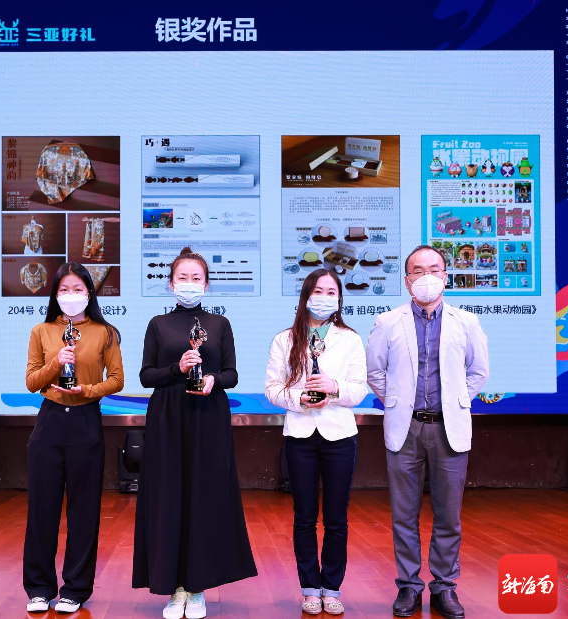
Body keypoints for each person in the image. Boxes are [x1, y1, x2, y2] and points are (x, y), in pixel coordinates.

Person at [132, 247, 257, 619]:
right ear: (171, 284)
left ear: (206, 283)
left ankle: (198, 587)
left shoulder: (219, 324)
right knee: (168, 498)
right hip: (167, 417)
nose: (189, 283)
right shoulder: (158, 323)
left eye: (196, 278)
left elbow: (232, 374)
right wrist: (177, 368)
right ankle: (175, 588)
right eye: (182, 278)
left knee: (204, 497)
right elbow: (146, 376)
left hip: (208, 415)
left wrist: (213, 379)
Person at [366, 246, 489, 619]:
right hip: (405, 429)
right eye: (417, 270)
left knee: (448, 515)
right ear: (407, 281)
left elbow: (478, 372)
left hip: (448, 428)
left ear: (445, 276)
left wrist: (455, 402)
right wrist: (399, 401)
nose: (426, 276)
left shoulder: (466, 322)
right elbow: (375, 372)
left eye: (434, 269)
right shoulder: (388, 322)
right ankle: (408, 586)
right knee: (404, 514)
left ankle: (444, 587)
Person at [265, 269, 368, 616]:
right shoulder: (284, 339)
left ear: (339, 299)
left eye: (331, 292)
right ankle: (310, 588)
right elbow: (272, 389)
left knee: (337, 519)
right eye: (318, 291)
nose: (324, 297)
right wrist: (300, 399)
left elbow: (359, 389)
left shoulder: (350, 339)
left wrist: (333, 389)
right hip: (300, 437)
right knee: (304, 517)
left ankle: (332, 587)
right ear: (306, 295)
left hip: (340, 437)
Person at [22, 263, 124, 614]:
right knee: (42, 508)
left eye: (78, 289)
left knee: (84, 510)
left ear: (89, 293)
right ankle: (39, 588)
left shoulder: (104, 332)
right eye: (64, 289)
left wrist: (88, 390)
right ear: (55, 294)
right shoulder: (41, 331)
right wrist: (56, 362)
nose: (71, 295)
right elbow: (32, 381)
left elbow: (117, 379)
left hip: (86, 421)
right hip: (49, 422)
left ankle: (75, 589)